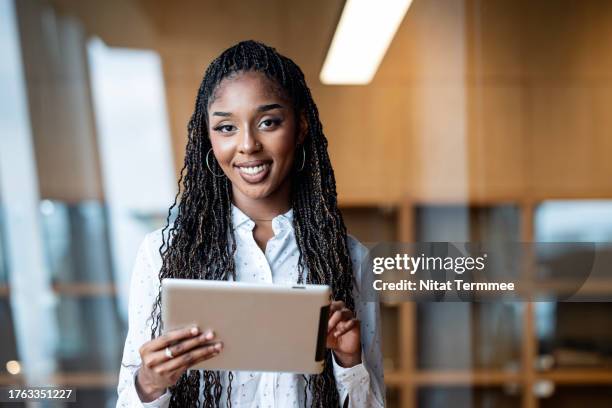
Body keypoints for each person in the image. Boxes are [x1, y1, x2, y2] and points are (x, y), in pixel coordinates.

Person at [116, 40, 385, 408]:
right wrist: (150, 383)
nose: (247, 145)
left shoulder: (350, 259)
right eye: (226, 127)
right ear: (208, 139)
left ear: (301, 126)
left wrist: (348, 361)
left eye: (268, 122)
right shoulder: (160, 254)